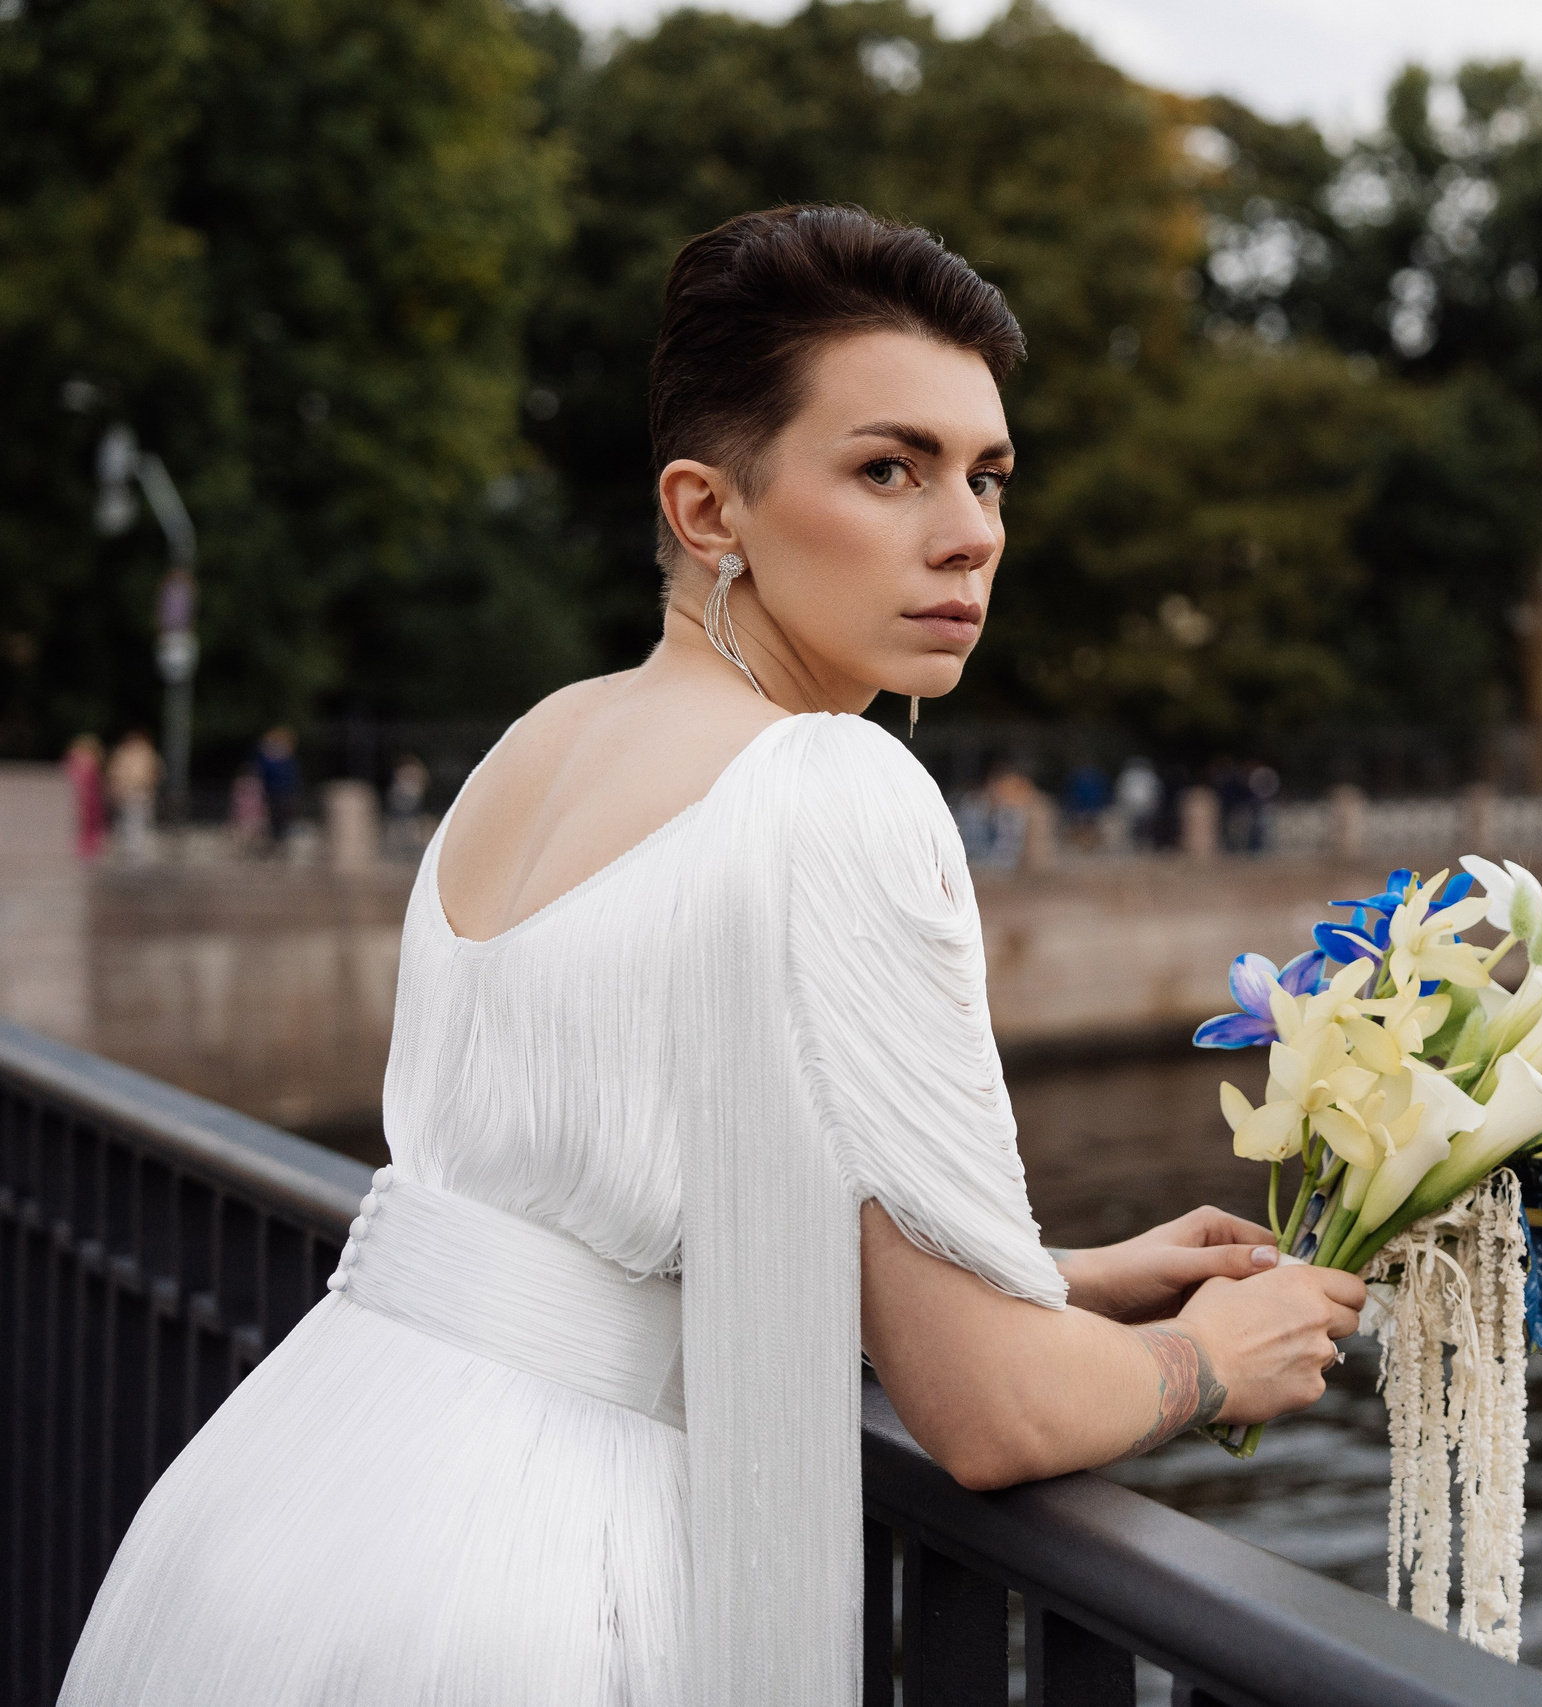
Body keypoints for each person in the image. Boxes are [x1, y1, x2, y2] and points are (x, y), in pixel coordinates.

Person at [59, 205, 1362, 1707]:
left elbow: (632, 1209)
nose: (971, 530)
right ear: (708, 508)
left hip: (296, 1488)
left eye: (987, 474)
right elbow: (991, 1413)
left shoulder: (536, 745)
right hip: (529, 1583)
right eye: (890, 467)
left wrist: (1054, 1276)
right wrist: (1209, 1355)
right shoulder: (832, 783)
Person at [105, 731, 162, 861]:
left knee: (133, 821)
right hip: (135, 792)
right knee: (133, 822)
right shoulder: (144, 753)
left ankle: (133, 851)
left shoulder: (127, 753)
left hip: (135, 792)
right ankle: (133, 851)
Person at [63, 734, 106, 862]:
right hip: (89, 800)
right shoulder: (88, 763)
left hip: (85, 800)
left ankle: (85, 852)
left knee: (85, 827)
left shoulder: (73, 761)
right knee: (89, 827)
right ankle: (88, 853)